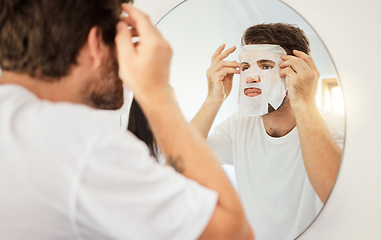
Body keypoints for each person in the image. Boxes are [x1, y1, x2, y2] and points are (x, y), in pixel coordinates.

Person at [0, 1, 254, 239]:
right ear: (97, 43)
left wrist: (212, 100)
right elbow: (235, 233)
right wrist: (155, 91)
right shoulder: (77, 141)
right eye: (126, 38)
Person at [191, 23, 344, 240]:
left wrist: (304, 101)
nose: (251, 77)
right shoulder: (238, 126)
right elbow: (176, 168)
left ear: (297, 71)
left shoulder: (334, 127)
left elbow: (337, 198)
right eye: (245, 67)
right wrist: (213, 99)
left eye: (265, 66)